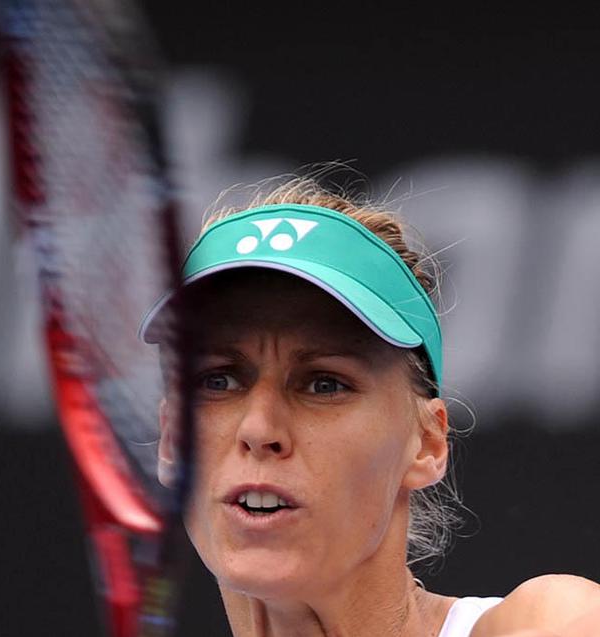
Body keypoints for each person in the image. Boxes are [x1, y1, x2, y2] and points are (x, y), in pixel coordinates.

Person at [140, 175, 600, 636]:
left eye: (324, 385)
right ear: (171, 437)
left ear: (427, 443)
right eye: (217, 380)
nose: (259, 429)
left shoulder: (551, 619)